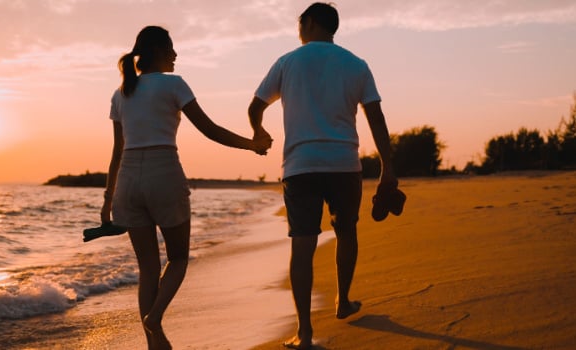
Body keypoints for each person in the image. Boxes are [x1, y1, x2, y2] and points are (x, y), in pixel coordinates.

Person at [100, 26, 271, 350]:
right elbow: (209, 130)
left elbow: (116, 152)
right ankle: (155, 318)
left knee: (147, 269)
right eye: (172, 48)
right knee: (177, 259)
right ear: (160, 51)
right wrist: (251, 145)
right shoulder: (174, 84)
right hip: (163, 174)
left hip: (127, 182)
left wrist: (108, 199)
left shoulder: (120, 92)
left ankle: (154, 343)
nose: (176, 55)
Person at [247, 3, 398, 349]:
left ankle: (305, 333)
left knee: (303, 247)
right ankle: (343, 300)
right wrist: (388, 167)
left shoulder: (287, 62)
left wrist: (259, 135)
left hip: (300, 167)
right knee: (346, 232)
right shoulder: (356, 64)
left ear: (310, 23)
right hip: (344, 165)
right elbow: (376, 117)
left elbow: (255, 106)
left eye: (300, 23)